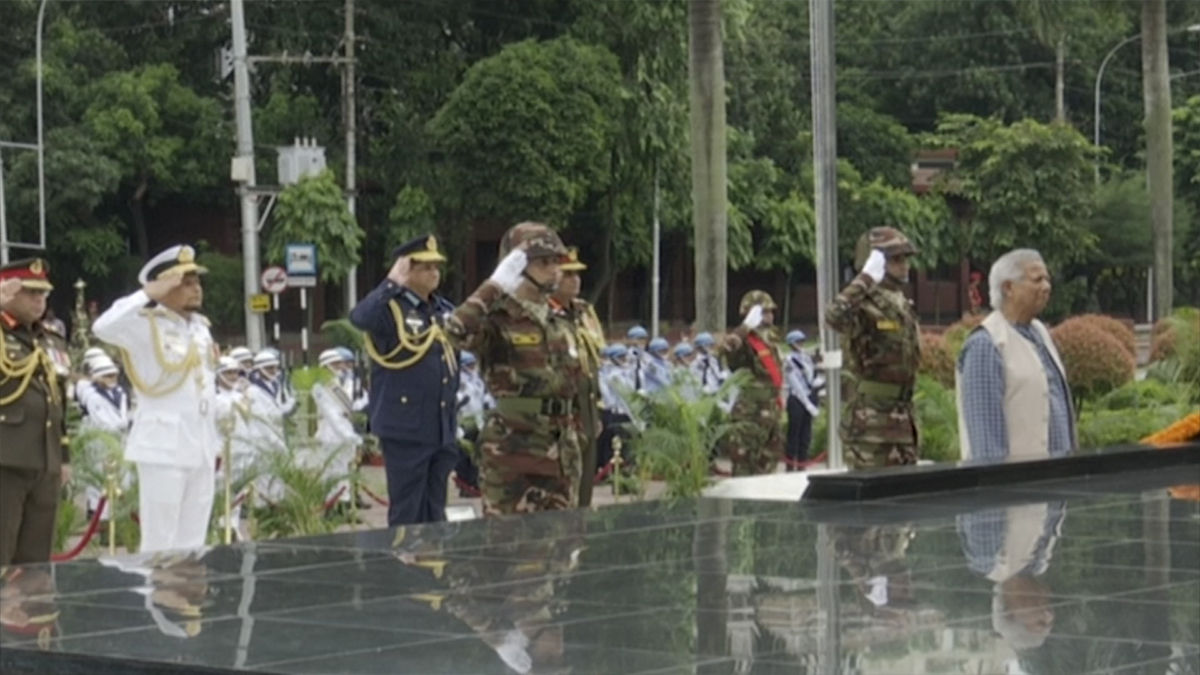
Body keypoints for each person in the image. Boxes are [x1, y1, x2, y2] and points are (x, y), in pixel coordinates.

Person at [440, 222, 586, 516]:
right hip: (514, 451)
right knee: (510, 549)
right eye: (543, 262)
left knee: (562, 546)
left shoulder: (560, 320)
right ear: (516, 266)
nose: (554, 269)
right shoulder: (499, 317)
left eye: (556, 261)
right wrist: (494, 286)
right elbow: (455, 332)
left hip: (561, 449)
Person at [92, 244, 219, 553]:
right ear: (163, 287)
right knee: (160, 543)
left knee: (193, 542)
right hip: (164, 448)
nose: (195, 289)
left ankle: (188, 601)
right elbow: (102, 326)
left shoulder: (201, 329)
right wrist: (148, 293)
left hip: (201, 444)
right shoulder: (144, 325)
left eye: (196, 282)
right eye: (184, 283)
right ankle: (158, 602)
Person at [350, 234, 459, 526]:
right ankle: (404, 568)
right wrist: (391, 282)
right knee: (407, 511)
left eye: (436, 266)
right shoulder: (390, 308)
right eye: (424, 267)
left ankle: (432, 566)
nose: (433, 272)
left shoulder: (442, 310)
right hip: (406, 425)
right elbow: (360, 317)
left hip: (440, 424)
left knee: (436, 509)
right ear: (406, 269)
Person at [957, 249, 1076, 464]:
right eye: (1037, 280)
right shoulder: (987, 344)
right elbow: (986, 444)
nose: (1047, 287)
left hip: (1057, 484)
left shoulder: (1041, 334)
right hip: (1020, 491)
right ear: (1008, 288)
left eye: (1047, 280)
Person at [825, 227, 921, 470]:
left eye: (905, 259)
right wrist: (866, 278)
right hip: (872, 424)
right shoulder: (863, 305)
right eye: (896, 259)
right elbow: (833, 317)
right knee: (872, 505)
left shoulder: (901, 304)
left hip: (902, 420)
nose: (904, 265)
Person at [0, 258, 69, 566]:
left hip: (45, 461)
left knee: (34, 562)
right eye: (29, 292)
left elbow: (59, 401)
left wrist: (63, 456)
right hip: (6, 460)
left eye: (43, 293)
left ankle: (33, 613)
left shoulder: (50, 339)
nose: (39, 300)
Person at [551, 246, 606, 507]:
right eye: (567, 274)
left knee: (585, 490)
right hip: (564, 413)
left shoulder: (582, 313)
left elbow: (592, 366)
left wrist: (595, 411)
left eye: (577, 274)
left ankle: (581, 544)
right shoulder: (545, 317)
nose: (575, 280)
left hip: (586, 410)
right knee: (563, 490)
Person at [718, 290, 786, 476]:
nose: (770, 316)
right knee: (745, 468)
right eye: (764, 312)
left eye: (770, 312)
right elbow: (726, 350)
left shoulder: (771, 340)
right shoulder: (745, 342)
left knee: (767, 467)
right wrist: (745, 327)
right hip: (751, 413)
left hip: (770, 410)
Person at [312, 348, 363, 507]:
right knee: (332, 473)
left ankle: (345, 504)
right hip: (331, 435)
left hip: (348, 434)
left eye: (341, 363)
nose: (341, 366)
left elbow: (358, 403)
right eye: (335, 364)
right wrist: (350, 436)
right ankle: (331, 505)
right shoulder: (320, 387)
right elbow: (332, 415)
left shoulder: (349, 382)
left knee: (346, 471)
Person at [783, 330, 820, 471]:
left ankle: (802, 464)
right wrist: (807, 404)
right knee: (794, 433)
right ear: (792, 344)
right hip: (797, 399)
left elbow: (811, 378)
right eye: (799, 342)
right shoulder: (789, 360)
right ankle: (790, 465)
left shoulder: (807, 358)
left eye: (803, 341)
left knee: (806, 434)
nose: (802, 344)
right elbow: (795, 384)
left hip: (809, 397)